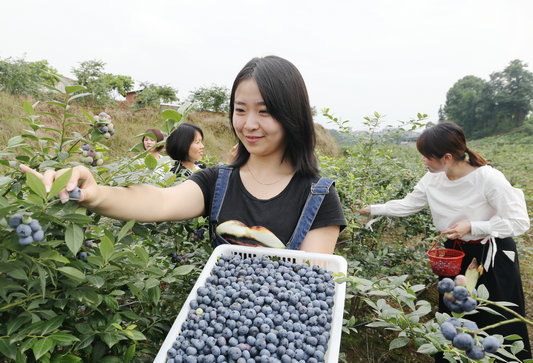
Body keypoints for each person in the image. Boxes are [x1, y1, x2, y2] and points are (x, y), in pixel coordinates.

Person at [21, 55, 346, 254]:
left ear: (292, 115)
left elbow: (312, 288)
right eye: (240, 110)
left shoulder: (317, 197)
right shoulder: (217, 182)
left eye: (264, 111)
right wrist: (94, 193)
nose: (249, 124)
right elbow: (160, 202)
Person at [359, 122, 531, 360]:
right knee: (456, 316)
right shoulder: (433, 179)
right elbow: (410, 203)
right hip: (456, 254)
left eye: (426, 156)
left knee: (494, 317)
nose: (423, 161)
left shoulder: (489, 179)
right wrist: (373, 209)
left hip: (491, 253)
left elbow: (519, 221)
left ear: (447, 157)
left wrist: (473, 226)